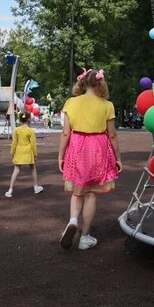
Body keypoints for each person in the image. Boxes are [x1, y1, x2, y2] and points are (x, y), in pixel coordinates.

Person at [58, 67, 122, 251]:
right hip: (98, 148)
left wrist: (61, 155)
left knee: (78, 190)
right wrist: (118, 158)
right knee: (91, 193)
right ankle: (84, 237)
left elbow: (65, 133)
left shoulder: (71, 102)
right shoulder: (107, 105)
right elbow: (112, 135)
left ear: (83, 82)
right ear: (101, 82)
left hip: (77, 146)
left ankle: (72, 221)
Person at [6, 111, 42, 197]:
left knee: (16, 170)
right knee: (33, 168)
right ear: (29, 119)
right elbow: (33, 144)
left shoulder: (17, 130)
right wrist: (35, 154)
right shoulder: (31, 131)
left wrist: (12, 152)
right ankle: (35, 186)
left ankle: (10, 190)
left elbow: (14, 142)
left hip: (19, 151)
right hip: (28, 151)